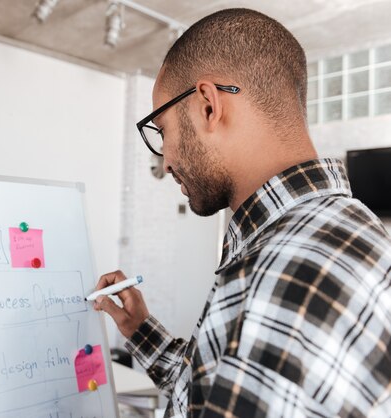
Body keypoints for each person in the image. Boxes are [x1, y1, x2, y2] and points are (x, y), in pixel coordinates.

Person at [94, 8, 391, 418]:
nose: (165, 162)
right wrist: (138, 329)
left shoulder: (285, 272)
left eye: (163, 131)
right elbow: (212, 389)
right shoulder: (348, 228)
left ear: (208, 106)